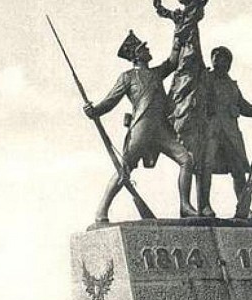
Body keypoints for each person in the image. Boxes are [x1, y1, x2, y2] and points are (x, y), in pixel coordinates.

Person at [83, 30, 198, 222]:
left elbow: (172, 61)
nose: (148, 49)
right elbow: (111, 100)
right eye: (144, 49)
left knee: (186, 160)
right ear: (137, 55)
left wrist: (177, 38)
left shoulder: (155, 73)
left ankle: (185, 206)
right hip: (141, 129)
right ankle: (101, 211)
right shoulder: (127, 77)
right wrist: (94, 111)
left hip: (161, 130)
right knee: (124, 170)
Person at [200, 46, 252, 218]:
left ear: (228, 63)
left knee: (238, 169)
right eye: (215, 57)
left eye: (222, 58)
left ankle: (244, 207)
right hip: (210, 131)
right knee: (205, 167)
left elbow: (244, 107)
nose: (218, 61)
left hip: (230, 132)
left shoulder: (231, 85)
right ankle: (204, 205)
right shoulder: (204, 79)